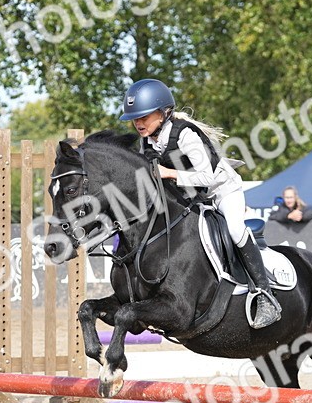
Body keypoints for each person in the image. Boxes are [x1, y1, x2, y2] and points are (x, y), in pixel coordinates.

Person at [120, 78, 282, 329]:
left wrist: (169, 173)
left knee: (236, 230)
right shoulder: (148, 141)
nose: (138, 123)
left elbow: (207, 177)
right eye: (135, 118)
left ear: (164, 113)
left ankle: (264, 294)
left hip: (222, 191)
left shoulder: (185, 135)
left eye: (144, 117)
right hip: (192, 198)